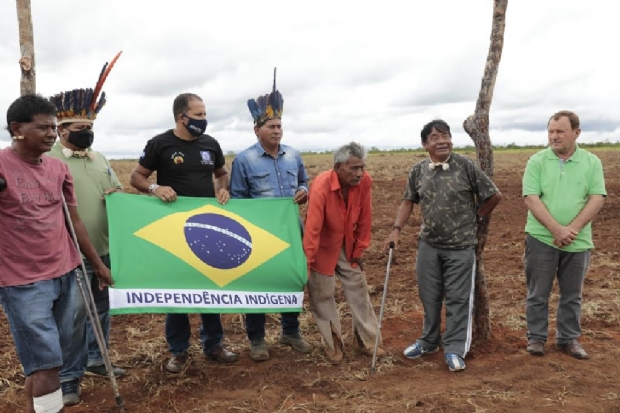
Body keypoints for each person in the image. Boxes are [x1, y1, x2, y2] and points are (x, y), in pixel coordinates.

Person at [0, 94, 113, 413]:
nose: (52, 134)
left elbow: (74, 221)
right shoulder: (1, 166)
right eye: (44, 128)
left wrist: (95, 264)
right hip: (22, 283)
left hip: (67, 272)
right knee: (47, 365)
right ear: (17, 129)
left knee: (50, 362)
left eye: (53, 128)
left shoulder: (57, 168)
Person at [130, 93, 238, 373]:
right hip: (174, 230)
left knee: (210, 284)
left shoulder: (210, 144)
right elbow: (136, 177)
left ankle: (213, 344)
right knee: (177, 291)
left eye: (205, 114)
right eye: (199, 114)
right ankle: (178, 351)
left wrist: (223, 187)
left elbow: (221, 173)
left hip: (207, 226)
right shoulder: (160, 144)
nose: (204, 120)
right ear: (182, 117)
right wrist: (155, 189)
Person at [385, 119, 502, 372]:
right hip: (429, 245)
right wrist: (396, 229)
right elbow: (408, 201)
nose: (442, 141)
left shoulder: (465, 165)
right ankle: (428, 341)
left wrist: (477, 217)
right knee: (429, 296)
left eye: (446, 136)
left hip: (460, 246)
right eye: (435, 138)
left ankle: (454, 349)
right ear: (425, 144)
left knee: (458, 299)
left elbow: (494, 195)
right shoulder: (418, 170)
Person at [47, 53, 125, 406]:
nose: (86, 134)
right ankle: (68, 377)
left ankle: (97, 359)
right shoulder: (49, 160)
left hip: (105, 248)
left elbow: (118, 191)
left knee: (102, 309)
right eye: (80, 130)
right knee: (75, 315)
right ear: (62, 131)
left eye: (89, 128)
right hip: (69, 254)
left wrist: (117, 195)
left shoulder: (101, 159)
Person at [230, 72, 313, 361]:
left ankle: (291, 332)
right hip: (258, 234)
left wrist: (304, 190)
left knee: (291, 279)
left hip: (291, 229)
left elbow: (305, 182)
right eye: (271, 126)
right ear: (257, 129)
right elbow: (238, 198)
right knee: (259, 282)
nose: (277, 131)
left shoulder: (293, 155)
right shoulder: (244, 160)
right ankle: (257, 339)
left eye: (280, 126)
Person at [522, 110, 606, 360]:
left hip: (578, 240)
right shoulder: (537, 161)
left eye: (560, 131)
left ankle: (568, 339)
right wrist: (556, 229)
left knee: (572, 294)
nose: (554, 136)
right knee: (538, 293)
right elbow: (531, 197)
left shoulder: (592, 162)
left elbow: (597, 197)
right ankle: (536, 338)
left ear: (576, 133)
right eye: (551, 131)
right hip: (541, 238)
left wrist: (573, 229)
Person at [303, 141, 384, 364]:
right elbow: (313, 226)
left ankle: (368, 341)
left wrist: (359, 248)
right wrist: (307, 262)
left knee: (358, 288)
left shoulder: (365, 181)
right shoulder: (321, 185)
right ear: (338, 167)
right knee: (322, 294)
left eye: (362, 167)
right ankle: (333, 344)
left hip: (348, 244)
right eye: (354, 168)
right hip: (322, 246)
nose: (360, 173)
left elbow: (366, 216)